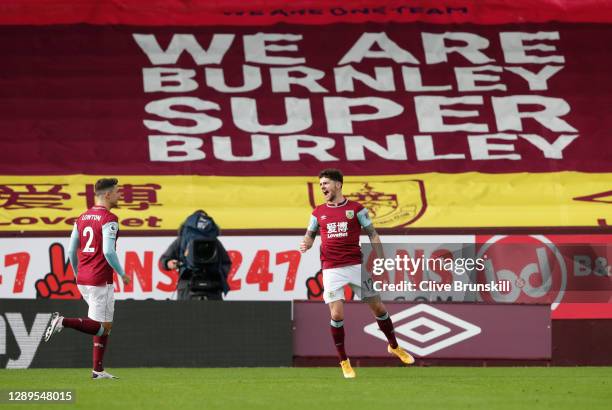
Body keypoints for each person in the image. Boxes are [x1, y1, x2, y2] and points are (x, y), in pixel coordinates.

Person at [299, 168, 415, 378]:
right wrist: (306, 244)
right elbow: (309, 235)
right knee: (336, 314)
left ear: (338, 184)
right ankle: (344, 361)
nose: (322, 187)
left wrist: (380, 256)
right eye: (321, 185)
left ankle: (394, 346)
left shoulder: (356, 209)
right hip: (331, 268)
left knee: (378, 307)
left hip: (355, 266)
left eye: (326, 183)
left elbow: (372, 233)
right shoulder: (317, 213)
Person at [44, 178, 130, 379]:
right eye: (117, 192)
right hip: (100, 279)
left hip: (83, 277)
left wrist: (76, 273)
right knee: (103, 327)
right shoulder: (109, 219)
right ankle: (62, 321)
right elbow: (109, 252)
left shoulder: (81, 218)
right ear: (107, 195)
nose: (120, 195)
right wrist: (122, 273)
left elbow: (71, 250)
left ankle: (98, 371)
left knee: (101, 325)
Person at [160, 210, 231, 300]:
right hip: (200, 286)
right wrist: (168, 263)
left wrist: (168, 263)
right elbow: (226, 263)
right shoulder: (183, 240)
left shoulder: (182, 240)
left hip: (196, 287)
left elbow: (163, 260)